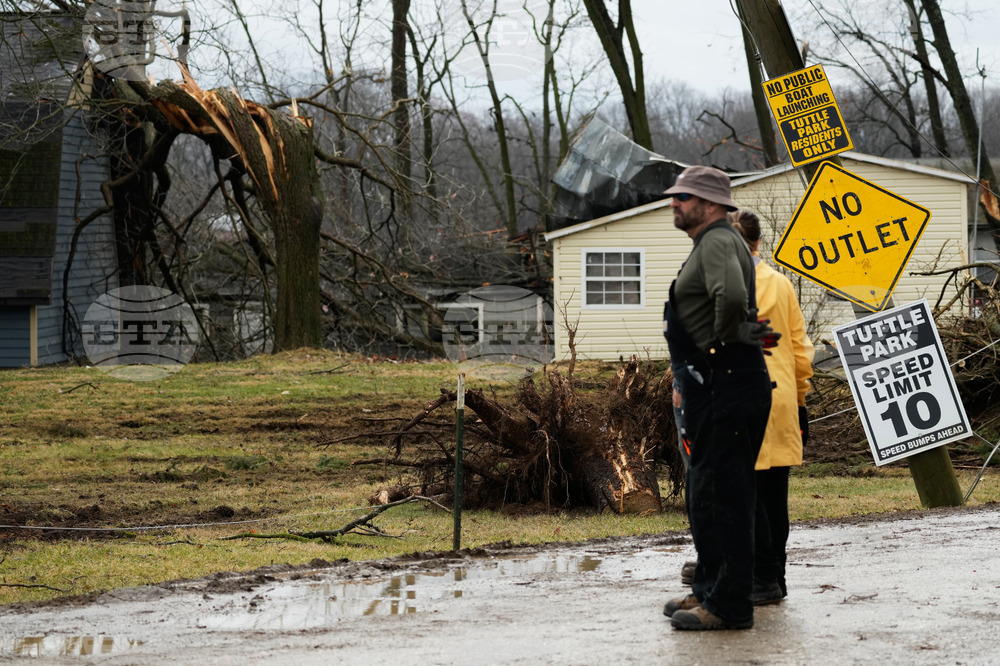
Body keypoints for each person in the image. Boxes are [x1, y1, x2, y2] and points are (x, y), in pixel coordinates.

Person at [660, 165, 776, 631]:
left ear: (709, 204)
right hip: (716, 383)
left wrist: (711, 350)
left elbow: (728, 300)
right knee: (706, 493)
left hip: (727, 382)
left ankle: (729, 605)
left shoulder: (719, 241)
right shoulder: (712, 241)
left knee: (724, 495)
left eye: (683, 197)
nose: (674, 203)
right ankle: (709, 588)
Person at [730, 209, 814, 604]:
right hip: (781, 398)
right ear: (759, 242)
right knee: (775, 494)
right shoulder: (780, 283)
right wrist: (800, 401)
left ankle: (760, 577)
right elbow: (800, 349)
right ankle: (776, 576)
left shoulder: (724, 284)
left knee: (747, 493)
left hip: (743, 395)